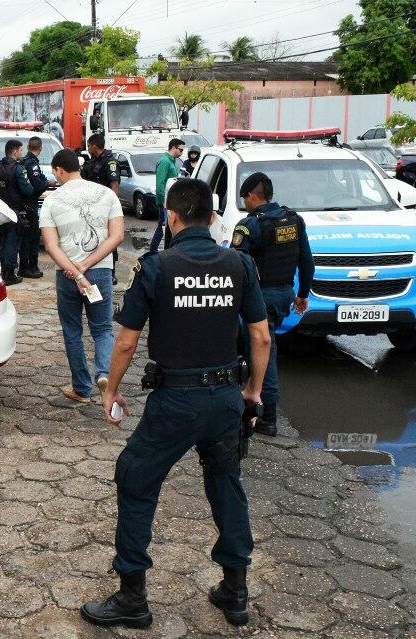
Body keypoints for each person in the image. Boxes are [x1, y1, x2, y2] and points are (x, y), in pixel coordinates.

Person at [83, 178, 271, 630]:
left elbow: (126, 341)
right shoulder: (240, 264)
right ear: (211, 216)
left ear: (173, 216)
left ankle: (132, 598)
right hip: (225, 399)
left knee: (135, 479)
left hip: (174, 404)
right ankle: (235, 591)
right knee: (225, 485)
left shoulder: (157, 267)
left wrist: (110, 390)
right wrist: (253, 392)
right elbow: (261, 335)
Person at [231, 172, 314, 437]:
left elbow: (238, 264)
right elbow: (307, 262)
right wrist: (302, 295)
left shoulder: (249, 226)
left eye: (245, 198)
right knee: (261, 347)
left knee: (264, 353)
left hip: (260, 299)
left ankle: (266, 419)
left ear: (252, 196)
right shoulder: (294, 220)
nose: (245, 203)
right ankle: (253, 407)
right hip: (285, 295)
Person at [40, 149, 124, 403]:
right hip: (100, 271)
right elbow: (117, 236)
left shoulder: (52, 200)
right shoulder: (107, 194)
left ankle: (81, 387)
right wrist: (87, 265)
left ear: (58, 170)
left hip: (67, 274)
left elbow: (51, 246)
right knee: (102, 329)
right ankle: (105, 376)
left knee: (72, 330)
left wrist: (76, 271)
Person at [0, 139, 34, 285]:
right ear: (14, 151)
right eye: (20, 150)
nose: (22, 152)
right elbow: (28, 190)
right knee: (13, 242)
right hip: (14, 211)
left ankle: (3, 271)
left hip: (0, 212)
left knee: (4, 241)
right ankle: (9, 274)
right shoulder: (18, 169)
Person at [80, 133, 122, 284]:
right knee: (93, 237)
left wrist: (112, 209)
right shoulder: (91, 162)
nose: (88, 148)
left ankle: (111, 272)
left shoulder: (110, 162)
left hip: (106, 207)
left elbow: (114, 186)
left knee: (109, 239)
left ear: (94, 146)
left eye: (89, 145)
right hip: (91, 207)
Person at [19, 136, 52, 279]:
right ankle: (30, 268)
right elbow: (38, 184)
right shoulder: (32, 163)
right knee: (31, 238)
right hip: (30, 204)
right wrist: (48, 184)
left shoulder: (23, 161)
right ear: (40, 148)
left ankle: (24, 267)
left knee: (25, 238)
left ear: (27, 147)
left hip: (22, 204)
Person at [151, 138, 185, 253]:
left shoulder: (172, 161)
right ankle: (153, 251)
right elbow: (160, 183)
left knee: (166, 228)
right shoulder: (165, 161)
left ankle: (159, 251)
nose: (182, 153)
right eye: (180, 150)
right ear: (174, 147)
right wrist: (163, 203)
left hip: (170, 201)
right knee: (162, 228)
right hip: (165, 202)